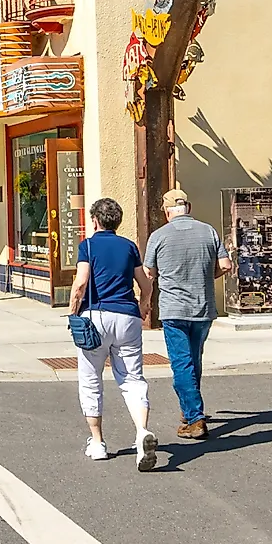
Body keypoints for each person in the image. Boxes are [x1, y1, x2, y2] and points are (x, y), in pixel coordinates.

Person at [68, 196, 157, 469]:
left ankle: (97, 443)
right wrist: (143, 307)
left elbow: (81, 283)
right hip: (127, 317)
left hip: (96, 317)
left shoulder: (88, 246)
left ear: (95, 220)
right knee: (132, 377)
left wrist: (73, 312)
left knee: (91, 378)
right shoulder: (129, 247)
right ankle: (142, 431)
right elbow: (146, 283)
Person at [145, 188, 231, 440]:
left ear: (166, 212)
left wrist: (146, 302)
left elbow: (149, 273)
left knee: (181, 362)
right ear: (188, 208)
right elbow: (225, 265)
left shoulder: (158, 236)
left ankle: (194, 418)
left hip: (174, 308)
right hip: (203, 307)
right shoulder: (208, 231)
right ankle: (189, 408)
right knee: (194, 359)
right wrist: (206, 276)